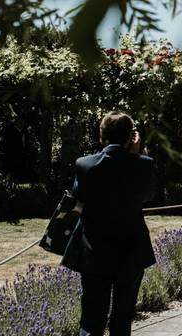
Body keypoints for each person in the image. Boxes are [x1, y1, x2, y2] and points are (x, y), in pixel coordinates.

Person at [61, 112, 155, 336]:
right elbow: (148, 195)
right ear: (131, 136)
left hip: (94, 252)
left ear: (101, 135)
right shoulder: (143, 164)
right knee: (122, 320)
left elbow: (78, 197)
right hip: (131, 252)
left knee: (92, 319)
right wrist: (137, 153)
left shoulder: (85, 165)